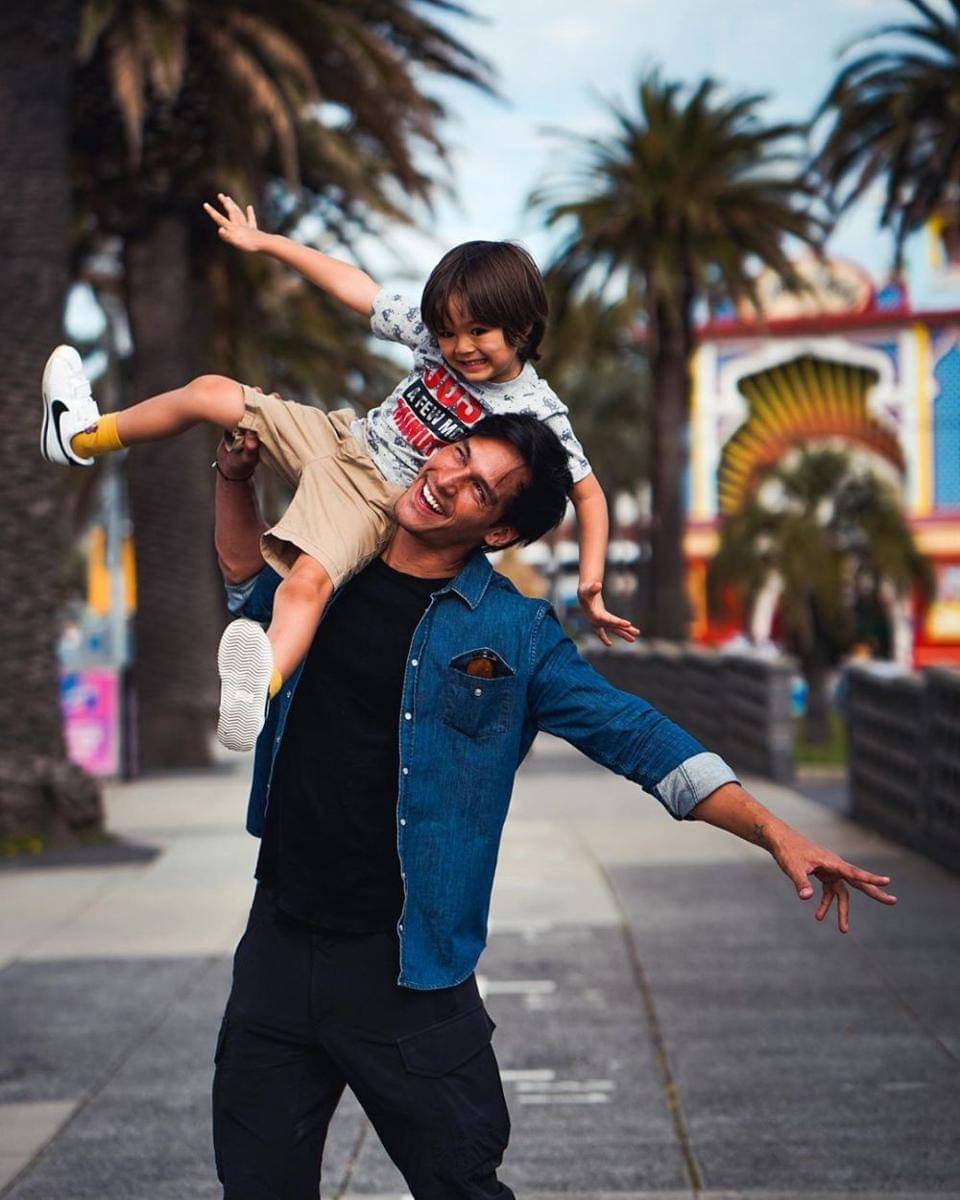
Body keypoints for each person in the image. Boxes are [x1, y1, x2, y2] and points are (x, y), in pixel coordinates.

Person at [210, 414, 896, 1200]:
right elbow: (246, 581)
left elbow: (635, 736)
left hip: (405, 963)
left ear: (498, 529)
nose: (446, 479)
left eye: (479, 488)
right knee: (256, 1186)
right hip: (279, 941)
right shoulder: (329, 567)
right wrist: (234, 477)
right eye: (455, 454)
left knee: (463, 1183)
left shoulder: (514, 630)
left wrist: (774, 831)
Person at [40, 195, 636, 752]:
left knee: (306, 583)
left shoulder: (535, 408)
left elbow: (588, 495)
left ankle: (258, 688)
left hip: (373, 500)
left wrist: (590, 583)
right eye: (448, 332)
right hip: (338, 438)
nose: (459, 347)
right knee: (209, 392)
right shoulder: (432, 337)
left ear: (522, 326)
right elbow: (357, 288)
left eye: (477, 333)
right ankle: (81, 436)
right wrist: (269, 243)